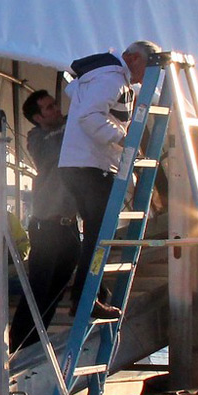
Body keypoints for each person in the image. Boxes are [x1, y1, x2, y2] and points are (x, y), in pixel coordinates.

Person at [60, 41, 156, 310]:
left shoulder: (103, 78)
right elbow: (90, 117)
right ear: (133, 59)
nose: (145, 78)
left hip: (82, 164)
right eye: (147, 68)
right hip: (91, 166)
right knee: (99, 233)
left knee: (96, 231)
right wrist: (123, 140)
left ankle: (91, 293)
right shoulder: (111, 80)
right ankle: (86, 297)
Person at [14, 89, 81, 347]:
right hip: (46, 226)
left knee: (57, 288)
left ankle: (36, 338)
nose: (57, 110)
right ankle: (20, 342)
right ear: (38, 118)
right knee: (39, 288)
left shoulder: (70, 127)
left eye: (55, 105)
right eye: (49, 108)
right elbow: (53, 152)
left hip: (69, 226)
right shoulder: (37, 139)